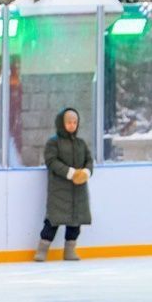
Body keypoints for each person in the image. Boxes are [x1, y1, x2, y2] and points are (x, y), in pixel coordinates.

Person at [36, 107, 93, 262]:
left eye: (75, 122)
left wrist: (86, 172)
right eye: (69, 122)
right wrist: (70, 173)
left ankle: (70, 250)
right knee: (53, 220)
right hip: (59, 190)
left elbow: (89, 160)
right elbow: (51, 161)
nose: (72, 125)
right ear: (62, 123)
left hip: (78, 190)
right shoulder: (53, 143)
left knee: (75, 222)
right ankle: (42, 250)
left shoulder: (81, 143)